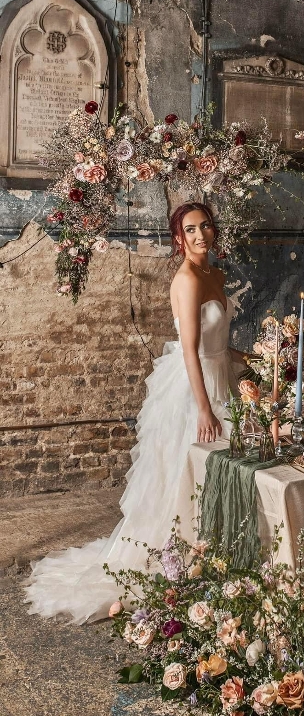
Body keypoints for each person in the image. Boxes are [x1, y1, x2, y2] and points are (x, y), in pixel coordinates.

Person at [24, 202, 244, 623]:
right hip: (193, 387)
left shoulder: (214, 274)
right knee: (185, 472)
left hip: (220, 377)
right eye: (191, 230)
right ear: (179, 238)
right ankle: (181, 559)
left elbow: (217, 345)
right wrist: (204, 408)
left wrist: (255, 357)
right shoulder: (186, 280)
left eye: (206, 227)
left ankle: (214, 555)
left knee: (218, 470)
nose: (201, 236)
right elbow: (191, 351)